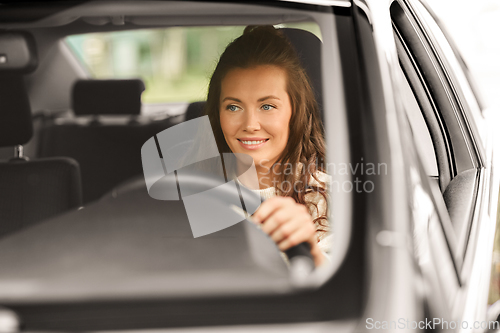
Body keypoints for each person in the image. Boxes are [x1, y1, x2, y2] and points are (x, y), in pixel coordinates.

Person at [205, 25, 330, 267]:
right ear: (217, 113)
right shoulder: (191, 196)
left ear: (295, 112)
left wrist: (310, 252)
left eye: (267, 106)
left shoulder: (336, 198)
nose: (250, 125)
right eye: (233, 107)